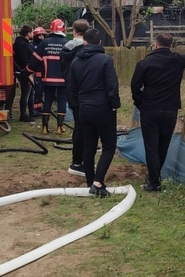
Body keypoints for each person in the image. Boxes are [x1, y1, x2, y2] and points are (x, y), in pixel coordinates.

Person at [131, 33, 185, 192]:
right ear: (171, 46)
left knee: (151, 146)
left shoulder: (145, 63)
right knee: (163, 145)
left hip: (149, 109)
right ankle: (154, 177)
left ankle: (154, 182)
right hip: (170, 110)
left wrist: (140, 101)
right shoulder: (178, 60)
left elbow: (135, 86)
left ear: (155, 44)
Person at [67, 28, 120, 197]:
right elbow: (112, 85)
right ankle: (98, 182)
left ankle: (90, 181)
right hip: (103, 109)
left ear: (84, 42)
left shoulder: (76, 61)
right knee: (109, 146)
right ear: (99, 43)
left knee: (89, 146)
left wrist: (77, 106)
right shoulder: (105, 60)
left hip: (85, 110)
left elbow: (71, 86)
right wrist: (115, 105)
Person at [27, 20, 68, 135]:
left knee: (48, 101)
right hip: (63, 80)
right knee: (62, 101)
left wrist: (25, 72)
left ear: (51, 29)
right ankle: (59, 128)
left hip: (47, 79)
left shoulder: (44, 43)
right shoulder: (67, 43)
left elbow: (34, 62)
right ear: (63, 29)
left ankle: (44, 128)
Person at [60, 19, 89, 176]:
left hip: (71, 91)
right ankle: (78, 162)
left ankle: (79, 160)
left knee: (79, 125)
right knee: (83, 127)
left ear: (74, 31)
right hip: (85, 92)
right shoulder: (84, 50)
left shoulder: (65, 49)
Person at [7, 25, 35, 122]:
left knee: (30, 93)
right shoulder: (23, 45)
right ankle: (23, 114)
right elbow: (24, 61)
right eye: (32, 32)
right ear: (28, 33)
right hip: (24, 72)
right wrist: (29, 74)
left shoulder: (19, 43)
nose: (33, 34)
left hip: (22, 71)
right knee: (26, 93)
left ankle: (32, 112)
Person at [28, 27, 46, 118]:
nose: (42, 37)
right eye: (40, 35)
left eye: (43, 35)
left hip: (43, 71)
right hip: (36, 71)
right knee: (37, 91)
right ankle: (35, 109)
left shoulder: (44, 45)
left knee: (41, 91)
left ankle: (39, 108)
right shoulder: (32, 46)